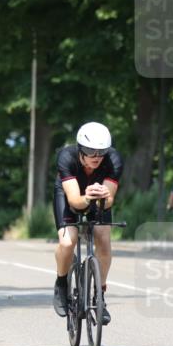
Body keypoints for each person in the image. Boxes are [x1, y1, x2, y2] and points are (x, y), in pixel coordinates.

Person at [52, 122, 122, 324]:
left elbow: (108, 201)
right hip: (69, 195)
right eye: (91, 151)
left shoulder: (114, 160)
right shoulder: (66, 157)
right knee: (67, 242)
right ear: (80, 149)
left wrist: (102, 197)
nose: (97, 156)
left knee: (103, 239)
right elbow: (75, 201)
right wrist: (88, 197)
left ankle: (99, 296)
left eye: (102, 151)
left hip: (98, 198)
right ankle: (61, 283)